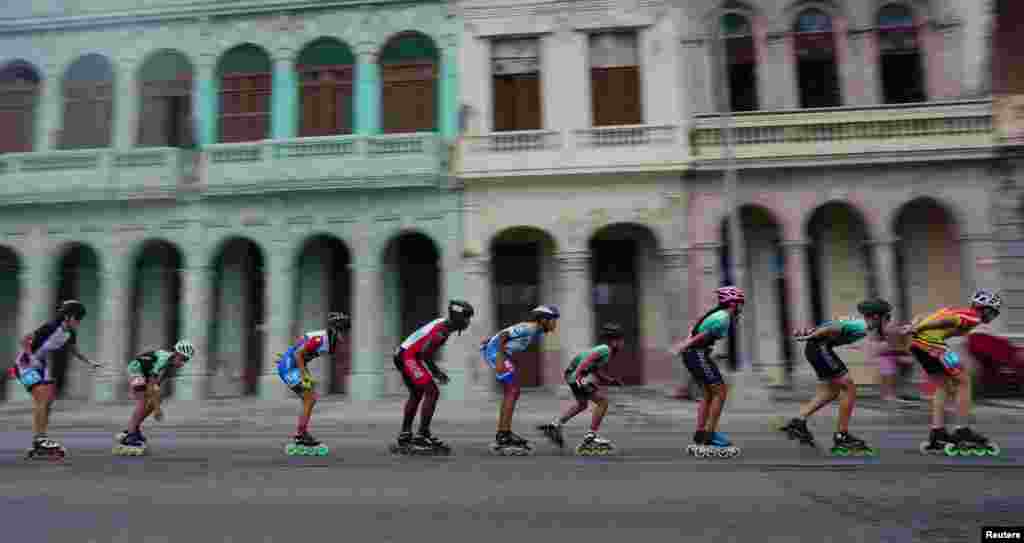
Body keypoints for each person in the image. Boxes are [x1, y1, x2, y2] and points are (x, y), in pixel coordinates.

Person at [777, 299, 895, 456]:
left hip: (818, 349)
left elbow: (833, 327)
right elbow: (832, 327)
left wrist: (811, 333)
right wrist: (809, 335)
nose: (888, 321)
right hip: (819, 348)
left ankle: (798, 422)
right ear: (875, 317)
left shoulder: (863, 325)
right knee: (849, 388)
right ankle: (842, 436)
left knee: (832, 391)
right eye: (887, 317)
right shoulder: (862, 325)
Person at [910, 290, 1002, 455]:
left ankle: (937, 432)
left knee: (943, 386)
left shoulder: (956, 309)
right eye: (994, 311)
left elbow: (924, 316)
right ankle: (963, 430)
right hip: (933, 344)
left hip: (917, 344)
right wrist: (920, 326)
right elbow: (948, 320)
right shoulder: (974, 316)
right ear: (985, 309)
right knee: (964, 380)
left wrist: (915, 325)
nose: (994, 316)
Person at [13, 300, 102, 458]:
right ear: (67, 317)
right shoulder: (51, 327)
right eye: (77, 319)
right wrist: (30, 356)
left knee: (48, 401)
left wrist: (90, 362)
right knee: (42, 398)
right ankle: (40, 439)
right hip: (25, 364)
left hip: (41, 366)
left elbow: (74, 350)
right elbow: (25, 340)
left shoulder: (70, 333)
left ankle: (40, 438)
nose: (79, 323)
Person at [391, 300, 475, 455]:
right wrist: (437, 373)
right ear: (457, 318)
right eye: (466, 318)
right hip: (408, 357)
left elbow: (422, 350)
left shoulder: (443, 323)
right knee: (432, 392)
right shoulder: (441, 331)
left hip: (404, 354)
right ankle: (422, 435)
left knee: (417, 394)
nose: (468, 322)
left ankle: (406, 434)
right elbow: (425, 353)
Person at [669, 286, 744, 457]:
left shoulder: (717, 314)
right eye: (739, 303)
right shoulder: (723, 317)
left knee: (708, 394)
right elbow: (701, 336)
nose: (740, 307)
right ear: (732, 304)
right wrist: (682, 346)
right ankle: (709, 434)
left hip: (695, 354)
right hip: (697, 354)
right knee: (721, 391)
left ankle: (701, 433)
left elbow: (695, 331)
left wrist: (686, 347)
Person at [480, 305, 560, 455]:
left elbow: (503, 337)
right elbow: (504, 335)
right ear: (543, 320)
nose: (555, 324)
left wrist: (488, 342)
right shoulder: (529, 327)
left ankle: (504, 433)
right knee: (513, 390)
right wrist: (497, 357)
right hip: (498, 354)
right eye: (553, 320)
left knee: (513, 391)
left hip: (500, 353)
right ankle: (503, 435)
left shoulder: (535, 331)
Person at [537, 323, 626, 455]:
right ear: (614, 341)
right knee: (602, 402)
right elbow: (587, 361)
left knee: (582, 404)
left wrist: (610, 380)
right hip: (577, 375)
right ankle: (590, 437)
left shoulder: (606, 352)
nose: (623, 344)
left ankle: (555, 425)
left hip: (573, 374)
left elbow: (595, 370)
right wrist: (578, 376)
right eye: (621, 340)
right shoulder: (605, 349)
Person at [275, 311, 351, 455]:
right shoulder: (321, 340)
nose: (344, 336)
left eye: (346, 331)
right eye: (343, 331)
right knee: (310, 398)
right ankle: (301, 435)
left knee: (310, 398)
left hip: (293, 365)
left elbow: (299, 350)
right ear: (334, 330)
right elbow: (298, 354)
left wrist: (288, 357)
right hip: (290, 367)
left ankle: (301, 433)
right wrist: (303, 374)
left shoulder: (329, 340)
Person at [113, 340, 195, 454]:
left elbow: (156, 386)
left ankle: (132, 429)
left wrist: (156, 403)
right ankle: (130, 435)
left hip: (146, 373)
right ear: (175, 353)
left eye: (186, 360)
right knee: (143, 401)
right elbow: (152, 386)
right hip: (136, 369)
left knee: (157, 399)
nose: (183, 363)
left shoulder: (171, 366)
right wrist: (157, 409)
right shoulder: (163, 360)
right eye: (182, 358)